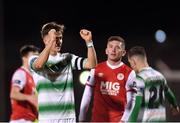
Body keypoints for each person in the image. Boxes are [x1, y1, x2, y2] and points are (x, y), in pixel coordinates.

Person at [28, 22, 97, 123]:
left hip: (68, 118)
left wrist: (89, 42)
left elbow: (92, 64)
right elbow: (38, 66)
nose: (58, 41)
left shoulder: (68, 58)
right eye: (55, 38)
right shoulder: (34, 59)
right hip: (47, 118)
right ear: (45, 40)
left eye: (60, 38)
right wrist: (51, 41)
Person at [79, 36, 138, 122]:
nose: (113, 50)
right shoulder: (95, 69)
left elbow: (131, 100)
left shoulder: (129, 73)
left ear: (123, 52)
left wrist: (123, 120)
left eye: (117, 47)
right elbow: (87, 94)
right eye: (110, 47)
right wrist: (81, 118)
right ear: (106, 50)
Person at [127, 46, 179, 122]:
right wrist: (175, 106)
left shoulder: (139, 79)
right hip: (162, 120)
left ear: (133, 61)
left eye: (130, 63)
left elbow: (136, 105)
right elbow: (169, 93)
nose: (131, 66)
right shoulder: (160, 76)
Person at [10, 45, 40, 123]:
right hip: (20, 119)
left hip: (30, 119)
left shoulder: (32, 76)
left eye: (37, 57)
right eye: (33, 57)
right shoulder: (20, 73)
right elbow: (13, 94)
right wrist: (30, 98)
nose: (35, 60)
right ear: (24, 58)